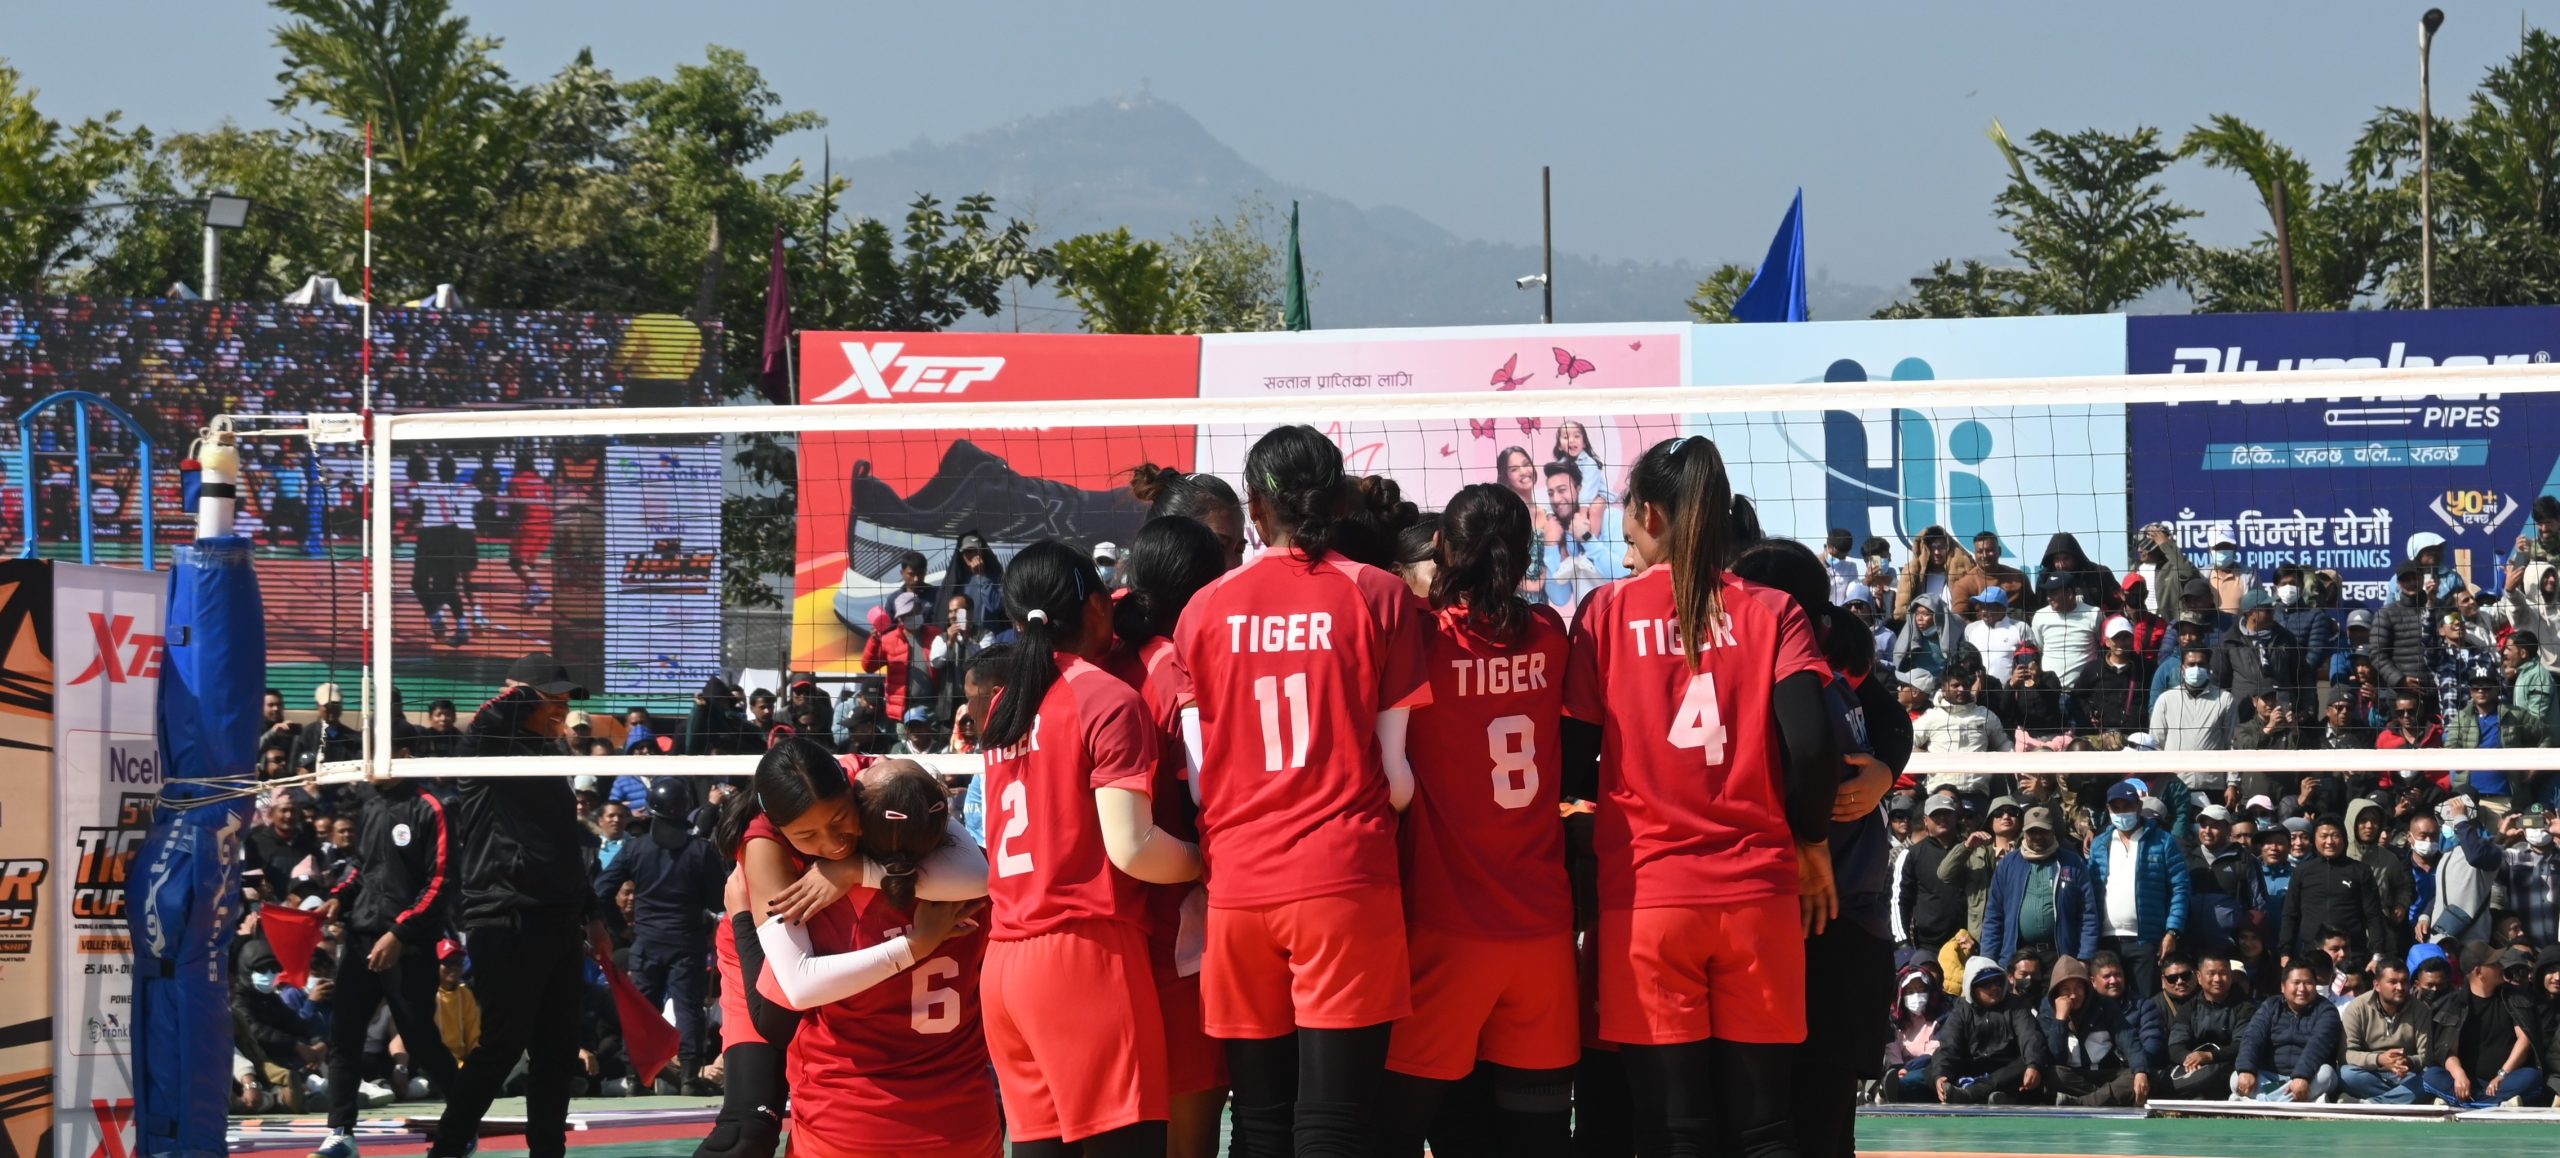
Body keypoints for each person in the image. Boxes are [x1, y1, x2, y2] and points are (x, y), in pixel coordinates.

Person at [1559, 435, 1839, 1158]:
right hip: (1755, 896)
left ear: (1649, 513)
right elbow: (1813, 747)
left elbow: (1571, 760)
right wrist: (1811, 841)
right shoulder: (1773, 610)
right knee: (1765, 1129)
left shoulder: (1604, 613)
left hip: (1649, 898)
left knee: (1671, 1129)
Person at [1169, 426, 1432, 1158]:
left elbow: (1201, 782)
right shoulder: (1379, 594)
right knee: (1334, 1124)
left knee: (1259, 1123)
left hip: (1240, 887)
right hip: (1342, 882)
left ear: (1255, 508)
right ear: (1340, 501)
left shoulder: (1203, 608)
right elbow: (1396, 779)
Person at [966, 539, 1204, 1155]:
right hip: (1083, 956)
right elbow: (1134, 849)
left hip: (1005, 961)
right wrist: (1211, 860)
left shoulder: (1005, 703)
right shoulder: (1106, 697)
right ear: (1098, 606)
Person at [1379, 484, 1579, 1158]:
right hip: (1542, 933)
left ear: (1443, 548)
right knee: (1535, 1143)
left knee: (1393, 1135)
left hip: (1447, 930)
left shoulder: (1422, 639)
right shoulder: (1550, 633)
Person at [697, 741, 986, 1158]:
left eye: (839, 821)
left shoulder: (886, 785)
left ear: (856, 796)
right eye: (808, 836)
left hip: (848, 984)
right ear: (781, 829)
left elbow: (978, 876)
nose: (833, 844)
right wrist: (916, 944)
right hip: (762, 950)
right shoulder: (766, 845)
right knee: (746, 1132)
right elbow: (783, 1006)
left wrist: (856, 870)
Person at [430, 654, 608, 1158]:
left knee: (557, 1053)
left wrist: (592, 915)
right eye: (552, 699)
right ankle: (446, 1149)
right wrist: (525, 692)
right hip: (505, 917)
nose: (562, 709)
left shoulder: (551, 757)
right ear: (523, 697)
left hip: (558, 919)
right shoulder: (485, 748)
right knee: (502, 1046)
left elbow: (564, 846)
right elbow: (489, 715)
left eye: (565, 701)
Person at [1104, 516, 1235, 1158]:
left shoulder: (1091, 655)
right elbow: (1206, 799)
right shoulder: (1175, 673)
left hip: (1104, 927)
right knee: (1189, 1136)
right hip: (1174, 928)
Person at [308, 769, 461, 1158]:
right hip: (361, 938)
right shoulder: (372, 806)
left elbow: (441, 881)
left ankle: (464, 1120)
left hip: (407, 945)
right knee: (344, 1036)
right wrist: (340, 897)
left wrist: (400, 933)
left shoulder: (431, 808)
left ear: (400, 756)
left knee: (420, 1038)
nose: (369, 766)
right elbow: (363, 869)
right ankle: (340, 1133)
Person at [591, 778, 727, 1095]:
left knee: (642, 1012)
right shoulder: (700, 850)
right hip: (687, 941)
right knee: (688, 1008)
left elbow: (602, 890)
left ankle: (635, 1077)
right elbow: (717, 901)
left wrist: (620, 927)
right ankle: (690, 1077)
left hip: (647, 941)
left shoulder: (635, 848)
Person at [2090, 782, 2187, 997]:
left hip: (2146, 940)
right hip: (2106, 941)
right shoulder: (2100, 844)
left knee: (2146, 1003)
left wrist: (2172, 931)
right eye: (2116, 807)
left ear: (2139, 806)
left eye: (2127, 806)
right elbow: (2091, 891)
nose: (2122, 812)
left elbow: (2180, 888)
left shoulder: (2163, 841)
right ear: (2108, 809)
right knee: (2109, 1005)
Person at [2423, 941, 2544, 1106]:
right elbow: (2448, 1051)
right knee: (2431, 1076)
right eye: (2494, 964)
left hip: (2505, 1080)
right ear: (2479, 972)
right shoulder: (2453, 1004)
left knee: (2531, 1077)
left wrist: (2502, 1074)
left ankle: (2468, 1104)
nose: (2501, 966)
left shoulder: (2514, 998)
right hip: (2467, 1084)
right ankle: (2496, 1105)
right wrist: (2459, 1075)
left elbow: (2524, 1040)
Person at [1978, 806, 2099, 970]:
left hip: (2061, 957)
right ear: (2024, 832)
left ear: (2052, 831)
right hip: (2018, 957)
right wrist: (1988, 960)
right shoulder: (2008, 864)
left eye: (2043, 831)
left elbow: (2088, 914)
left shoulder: (2073, 863)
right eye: (2032, 832)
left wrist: (2085, 957)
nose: (2037, 836)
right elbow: (1994, 915)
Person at [1928, 956, 2047, 1104]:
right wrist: (1941, 1075)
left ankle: (1972, 1094)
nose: (1994, 987)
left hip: (2005, 1069)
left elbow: (2030, 1036)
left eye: (1997, 981)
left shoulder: (2016, 1005)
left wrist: (2033, 1064)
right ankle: (1977, 1094)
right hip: (1971, 1066)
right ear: (1972, 987)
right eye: (1985, 983)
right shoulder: (1961, 1010)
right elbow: (1949, 1044)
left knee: (2027, 1063)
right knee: (1933, 1068)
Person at [2037, 955, 2150, 1106]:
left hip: (2107, 1073)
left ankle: (2081, 1103)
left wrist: (2140, 1072)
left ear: (2087, 987)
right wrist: (2060, 1019)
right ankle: (2108, 1099)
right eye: (2066, 989)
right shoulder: (2047, 1010)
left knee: (2138, 1075)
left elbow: (2128, 1039)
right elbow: (2055, 1056)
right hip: (2074, 1076)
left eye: (2078, 987)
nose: (2073, 995)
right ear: (2056, 992)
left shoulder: (2105, 1005)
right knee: (2053, 1074)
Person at [2280, 816, 2390, 970]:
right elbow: (2290, 914)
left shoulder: (2360, 871)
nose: (2329, 841)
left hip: (2352, 955)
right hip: (2311, 955)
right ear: (2314, 839)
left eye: (2335, 835)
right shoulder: (2302, 871)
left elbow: (2373, 915)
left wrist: (2377, 953)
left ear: (2344, 838)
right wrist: (2285, 952)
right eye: (2323, 836)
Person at [2232, 962, 2343, 1102]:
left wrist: (2302, 1076)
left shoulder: (2327, 1010)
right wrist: (2247, 1070)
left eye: (2308, 983)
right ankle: (2295, 1101)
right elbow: (2252, 1038)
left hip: (2308, 1078)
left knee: (2326, 1074)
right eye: (2296, 983)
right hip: (2271, 1079)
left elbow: (2317, 1047)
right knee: (2236, 1078)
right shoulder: (2270, 1006)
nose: (2302, 989)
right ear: (2283, 987)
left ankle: (2258, 1101)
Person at [2338, 960, 2432, 1103]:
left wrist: (2407, 1061)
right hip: (2371, 1074)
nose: (2400, 987)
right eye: (2393, 982)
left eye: (2404, 982)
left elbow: (2426, 1056)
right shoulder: (2357, 1008)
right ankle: (2403, 1098)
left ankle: (2371, 1103)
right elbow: (2347, 1054)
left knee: (2433, 1077)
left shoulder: (2421, 1010)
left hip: (2407, 1075)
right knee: (2346, 1074)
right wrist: (2379, 1060)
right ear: (2377, 985)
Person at [2164, 955, 2252, 1098]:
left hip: (2229, 1066)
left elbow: (2242, 1045)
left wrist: (2209, 1056)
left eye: (2223, 973)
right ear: (2199, 977)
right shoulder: (2189, 1008)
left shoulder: (2246, 1008)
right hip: (2193, 1068)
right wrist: (2190, 1060)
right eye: (2211, 974)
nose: (2217, 979)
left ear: (2231, 976)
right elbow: (2175, 1045)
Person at [1899, 792, 1972, 964]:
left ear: (1956, 816)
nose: (1942, 818)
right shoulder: (1913, 854)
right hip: (1927, 946)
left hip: (1966, 942)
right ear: (1925, 820)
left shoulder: (1970, 849)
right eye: (1936, 815)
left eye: (1947, 813)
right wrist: (1903, 943)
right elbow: (1901, 900)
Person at [862, 590, 941, 728]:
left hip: (932, 706)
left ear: (921, 608)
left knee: (933, 740)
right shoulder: (888, 639)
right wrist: (874, 641)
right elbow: (868, 667)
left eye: (913, 612)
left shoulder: (936, 634)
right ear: (899, 618)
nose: (911, 617)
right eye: (906, 615)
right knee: (902, 741)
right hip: (903, 709)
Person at [2371, 565, 2437, 704]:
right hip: (2401, 697)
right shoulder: (2386, 613)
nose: (2412, 582)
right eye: (2406, 579)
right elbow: (2377, 654)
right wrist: (2400, 680)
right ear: (2399, 583)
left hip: (2437, 694)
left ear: (2422, 579)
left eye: (2415, 578)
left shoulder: (2438, 609)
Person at [2080, 617, 2155, 740]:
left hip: (2136, 737)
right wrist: (2089, 713)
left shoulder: (2147, 668)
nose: (2121, 642)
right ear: (2107, 642)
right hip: (2100, 737)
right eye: (2116, 638)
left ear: (2133, 639)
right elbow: (2078, 696)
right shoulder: (2093, 669)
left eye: (2126, 637)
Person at [1880, 964, 1945, 1103]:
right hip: (1898, 1071)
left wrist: (1907, 1069)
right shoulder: (1894, 1022)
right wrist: (1898, 1069)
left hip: (1927, 1068)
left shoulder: (1941, 1018)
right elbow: (1892, 1050)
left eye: (1921, 990)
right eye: (1910, 992)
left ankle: (1894, 1089)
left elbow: (1934, 1052)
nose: (1916, 995)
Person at [2155, 644, 2236, 755]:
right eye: (2191, 664)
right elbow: (2156, 742)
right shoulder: (2166, 700)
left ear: (2209, 668)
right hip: (2174, 766)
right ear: (2182, 669)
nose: (2196, 669)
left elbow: (2231, 742)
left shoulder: (2224, 699)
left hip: (2212, 766)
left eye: (2201, 664)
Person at [2501, 805, 2560, 947]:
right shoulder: (2512, 857)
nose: (2538, 828)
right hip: (2526, 947)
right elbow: (2482, 861)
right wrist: (2502, 837)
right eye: (2532, 823)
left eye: (2543, 821)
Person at [1961, 587, 2028, 683]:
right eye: (1981, 606)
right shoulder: (1971, 629)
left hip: (2010, 689)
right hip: (1978, 689)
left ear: (2002, 608)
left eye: (1988, 607)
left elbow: (2030, 661)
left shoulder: (2020, 628)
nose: (1983, 612)